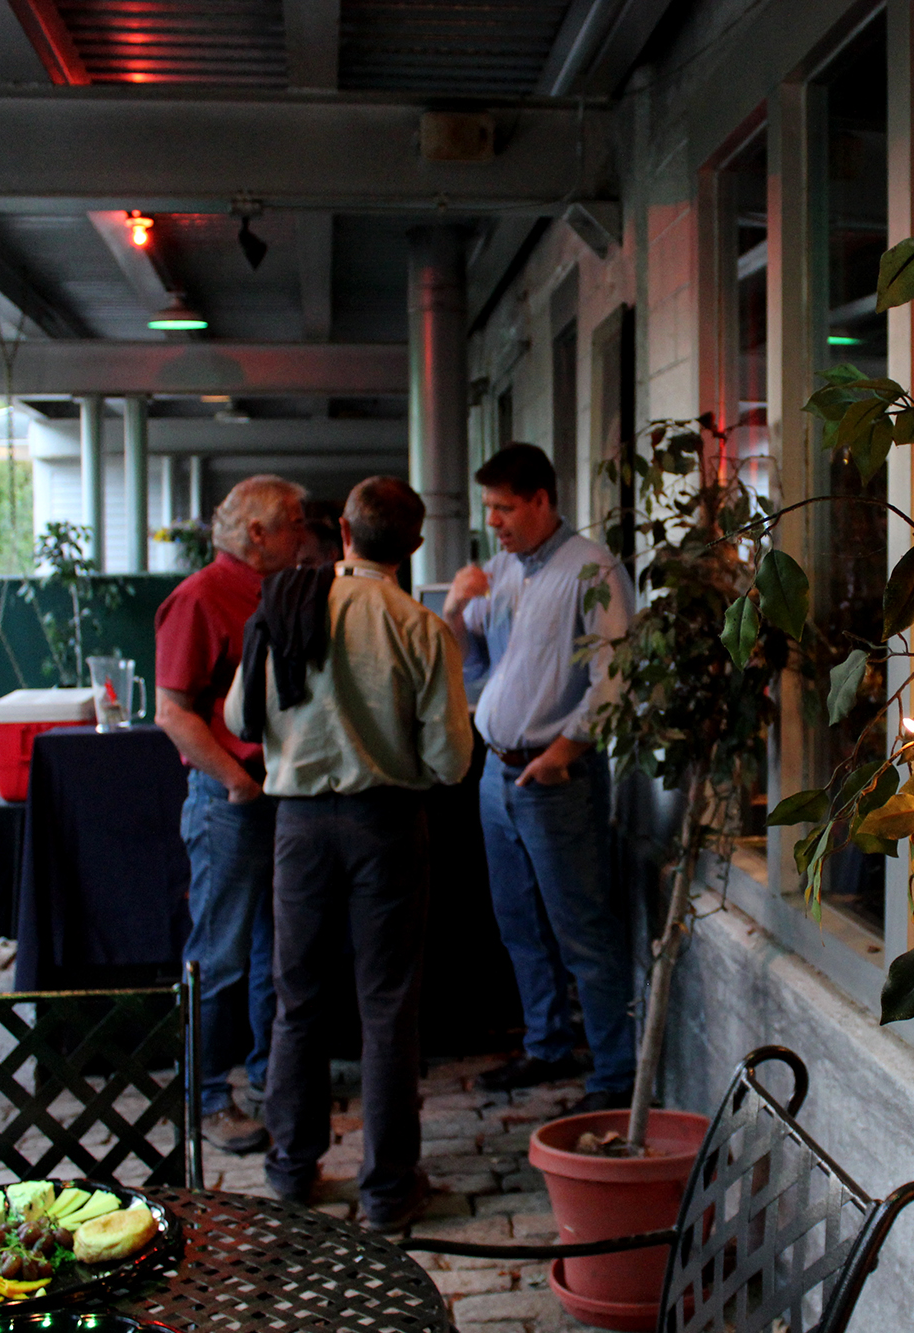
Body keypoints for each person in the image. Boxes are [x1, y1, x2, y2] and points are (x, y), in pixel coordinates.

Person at [226, 475, 473, 1224]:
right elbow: (452, 762)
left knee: (297, 1000)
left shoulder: (287, 602)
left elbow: (241, 716)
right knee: (388, 1006)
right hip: (386, 825)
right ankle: (388, 1189)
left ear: (343, 532)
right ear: (415, 545)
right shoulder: (419, 625)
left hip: (298, 826)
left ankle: (292, 1170)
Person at [443, 443, 637, 1112]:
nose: (493, 520)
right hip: (496, 774)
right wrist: (454, 607)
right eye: (488, 508)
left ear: (542, 501)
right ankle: (547, 1044)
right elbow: (464, 665)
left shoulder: (592, 569)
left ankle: (614, 1073)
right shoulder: (500, 570)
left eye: (503, 508)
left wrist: (565, 749)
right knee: (518, 923)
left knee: (582, 927)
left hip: (555, 776)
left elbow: (617, 676)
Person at [154, 474, 308, 1155]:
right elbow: (172, 711)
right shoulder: (198, 598)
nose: (304, 534)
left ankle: (266, 1084)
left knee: (274, 951)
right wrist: (236, 781)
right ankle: (207, 1098)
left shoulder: (280, 591)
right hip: (233, 799)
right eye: (295, 522)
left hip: (280, 797)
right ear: (257, 533)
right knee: (218, 956)